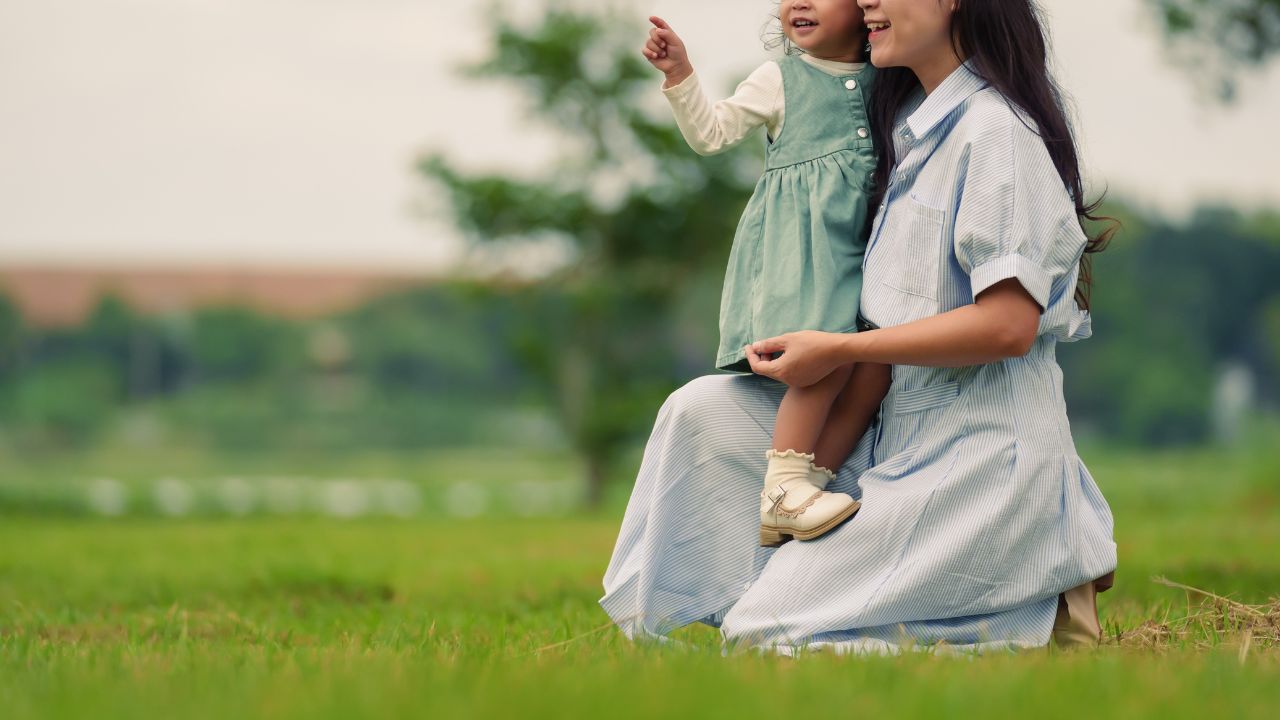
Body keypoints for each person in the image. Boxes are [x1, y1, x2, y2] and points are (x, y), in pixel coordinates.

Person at [603, 0, 1118, 651]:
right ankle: (751, 603)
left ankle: (1040, 603)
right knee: (701, 411)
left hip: (976, 459)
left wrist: (841, 347)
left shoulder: (994, 132)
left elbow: (1009, 326)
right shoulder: (900, 134)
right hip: (890, 434)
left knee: (765, 636)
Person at [642, 2, 891, 546]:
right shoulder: (779, 77)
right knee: (820, 359)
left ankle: (807, 485)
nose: (798, 3)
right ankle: (782, 488)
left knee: (872, 370)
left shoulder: (889, 79)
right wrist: (681, 75)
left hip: (859, 256)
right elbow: (711, 134)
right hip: (797, 256)